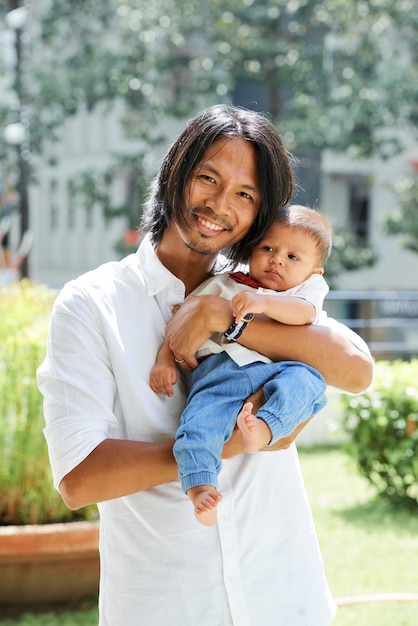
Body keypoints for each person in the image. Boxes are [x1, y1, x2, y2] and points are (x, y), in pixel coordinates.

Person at [37, 104, 373, 626]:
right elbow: (80, 479)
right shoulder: (92, 303)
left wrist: (225, 320)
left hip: (283, 595)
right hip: (166, 604)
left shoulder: (268, 289)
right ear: (175, 173)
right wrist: (230, 441)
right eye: (207, 178)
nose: (220, 204)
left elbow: (356, 371)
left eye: (246, 194)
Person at [151, 204, 332, 525]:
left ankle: (264, 428)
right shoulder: (225, 282)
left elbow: (305, 314)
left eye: (293, 257)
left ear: (313, 271)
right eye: (268, 248)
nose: (277, 259)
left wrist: (264, 302)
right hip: (219, 373)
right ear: (251, 251)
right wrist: (165, 359)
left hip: (275, 369)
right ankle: (200, 488)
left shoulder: (305, 290)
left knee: (310, 382)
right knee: (197, 425)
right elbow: (181, 320)